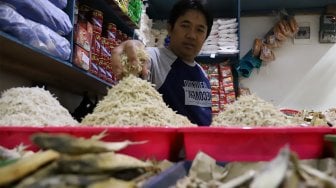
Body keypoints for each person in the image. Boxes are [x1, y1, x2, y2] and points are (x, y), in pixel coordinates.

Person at [111, 0, 213, 126]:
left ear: (206, 37)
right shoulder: (155, 57)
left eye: (200, 30)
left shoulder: (202, 74)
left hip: (201, 144)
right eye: (185, 25)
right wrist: (134, 52)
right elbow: (141, 59)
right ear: (170, 28)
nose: (192, 35)